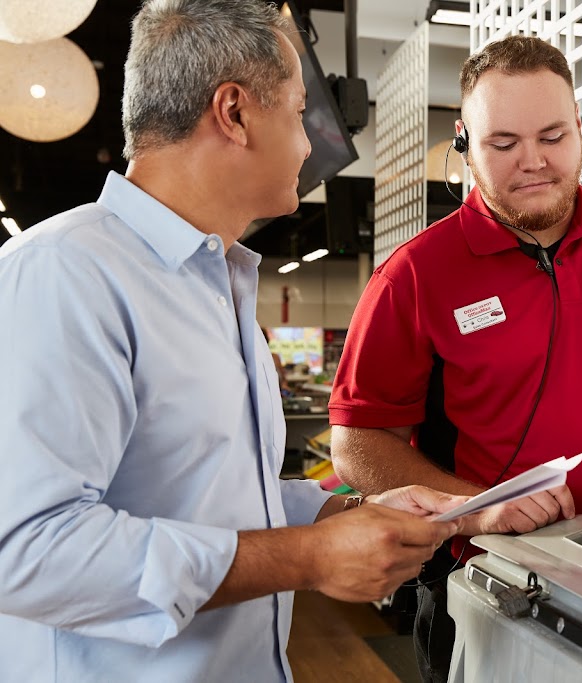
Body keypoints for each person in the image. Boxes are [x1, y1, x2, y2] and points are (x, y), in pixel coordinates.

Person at [0, 1, 465, 681]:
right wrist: (306, 556)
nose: (310, 145)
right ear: (235, 112)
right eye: (300, 112)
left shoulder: (217, 286)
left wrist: (343, 511)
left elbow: (214, 495)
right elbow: (28, 548)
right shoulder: (65, 273)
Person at [328, 34, 582, 682]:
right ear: (463, 142)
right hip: (488, 580)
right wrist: (478, 504)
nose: (534, 162)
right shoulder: (414, 277)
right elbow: (355, 441)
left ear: (580, 128)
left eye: (552, 136)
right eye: (504, 143)